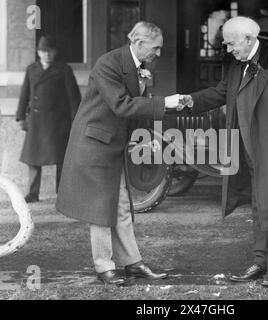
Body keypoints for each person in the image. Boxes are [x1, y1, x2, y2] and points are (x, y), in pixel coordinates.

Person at [180, 16, 268, 287]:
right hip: (247, 151)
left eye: (231, 44)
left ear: (249, 39)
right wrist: (189, 100)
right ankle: (260, 261)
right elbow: (220, 93)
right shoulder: (236, 65)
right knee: (259, 206)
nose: (229, 49)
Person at [56, 22, 182, 285]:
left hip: (112, 144)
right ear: (138, 43)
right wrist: (164, 102)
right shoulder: (108, 63)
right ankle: (104, 268)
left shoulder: (136, 67)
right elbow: (122, 106)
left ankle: (132, 263)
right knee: (100, 209)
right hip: (95, 145)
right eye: (155, 48)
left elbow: (132, 108)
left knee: (122, 205)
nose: (158, 54)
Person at [16, 35, 81, 203]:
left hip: (59, 122)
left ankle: (62, 192)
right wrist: (20, 116)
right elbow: (25, 94)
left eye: (50, 51)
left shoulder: (64, 69)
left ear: (55, 52)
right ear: (38, 52)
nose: (46, 55)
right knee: (33, 158)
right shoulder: (31, 69)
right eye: (43, 51)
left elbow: (74, 98)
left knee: (61, 158)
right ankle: (33, 193)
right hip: (36, 122)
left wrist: (76, 121)